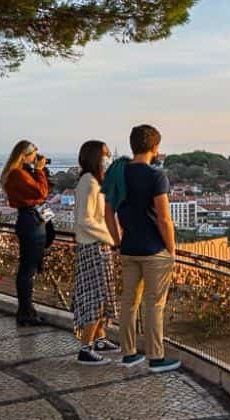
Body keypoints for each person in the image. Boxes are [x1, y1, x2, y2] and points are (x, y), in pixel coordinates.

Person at [104, 124, 180, 372]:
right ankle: (156, 357)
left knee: (129, 302)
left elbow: (108, 212)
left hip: (128, 248)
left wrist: (117, 241)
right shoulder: (156, 176)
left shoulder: (118, 173)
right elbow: (164, 218)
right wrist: (171, 249)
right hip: (153, 249)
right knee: (154, 304)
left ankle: (129, 353)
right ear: (155, 148)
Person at [72, 140, 121, 365]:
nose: (108, 157)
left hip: (97, 245)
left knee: (102, 294)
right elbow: (85, 220)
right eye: (105, 154)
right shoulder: (89, 183)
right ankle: (86, 347)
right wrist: (110, 238)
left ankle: (99, 338)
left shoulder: (92, 181)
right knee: (95, 297)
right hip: (94, 247)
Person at [0, 140, 49, 326]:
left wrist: (37, 171)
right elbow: (41, 191)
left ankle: (27, 309)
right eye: (33, 155)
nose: (36, 158)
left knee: (28, 269)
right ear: (24, 155)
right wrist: (39, 170)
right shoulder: (18, 174)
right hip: (30, 222)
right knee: (27, 270)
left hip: (29, 220)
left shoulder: (19, 173)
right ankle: (25, 312)